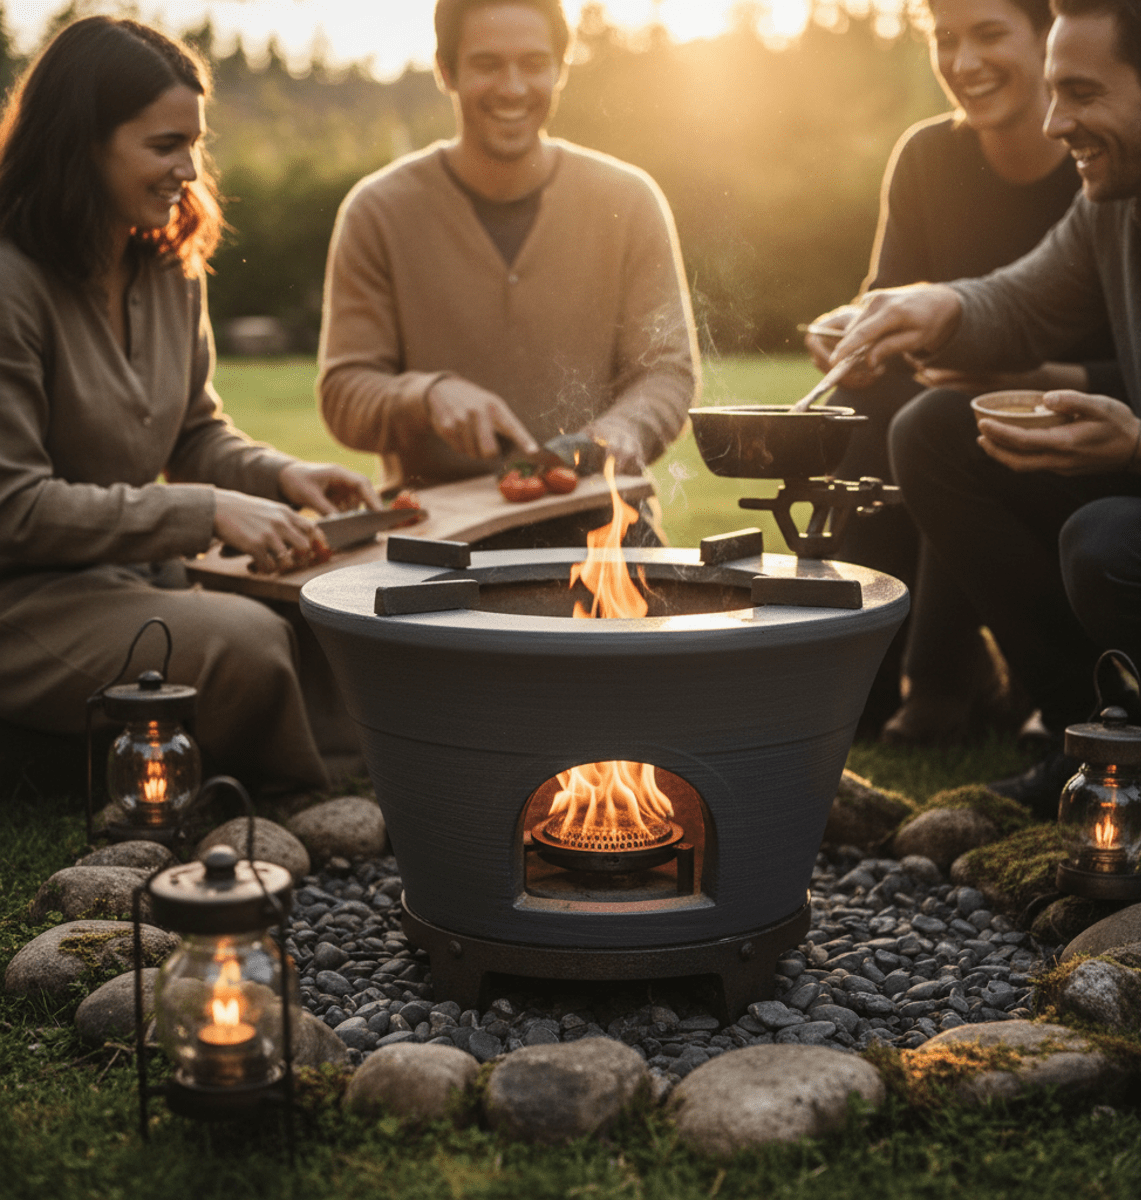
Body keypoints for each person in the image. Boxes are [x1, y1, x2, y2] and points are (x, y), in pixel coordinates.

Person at [832, 0, 1141, 811]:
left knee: (1110, 543)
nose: (1056, 122)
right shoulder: (1112, 207)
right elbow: (1021, 300)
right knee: (935, 431)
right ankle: (1089, 740)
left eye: (1083, 94)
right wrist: (939, 307)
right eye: (1055, 93)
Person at [0, 17, 381, 794]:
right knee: (244, 641)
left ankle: (372, 789)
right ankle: (309, 810)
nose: (189, 169)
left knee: (337, 609)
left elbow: (195, 431)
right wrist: (205, 511)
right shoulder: (12, 285)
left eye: (196, 144)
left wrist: (283, 475)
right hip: (27, 604)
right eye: (165, 145)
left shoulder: (170, 267)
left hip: (141, 578)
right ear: (82, 144)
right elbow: (15, 509)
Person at [805, 0, 1119, 743]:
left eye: (988, 34)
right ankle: (858, 672)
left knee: (956, 420)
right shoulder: (927, 156)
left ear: (1047, 39)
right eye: (945, 39)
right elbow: (892, 301)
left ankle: (942, 680)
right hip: (944, 393)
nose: (963, 62)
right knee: (866, 406)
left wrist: (1029, 380)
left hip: (1082, 412)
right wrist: (851, 331)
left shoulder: (1103, 170)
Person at [317, 0, 699, 546]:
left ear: (560, 69)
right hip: (435, 540)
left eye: (534, 63)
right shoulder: (377, 210)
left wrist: (623, 429)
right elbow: (343, 394)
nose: (513, 88)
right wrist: (426, 396)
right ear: (446, 71)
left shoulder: (629, 201)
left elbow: (667, 371)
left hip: (603, 531)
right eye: (488, 64)